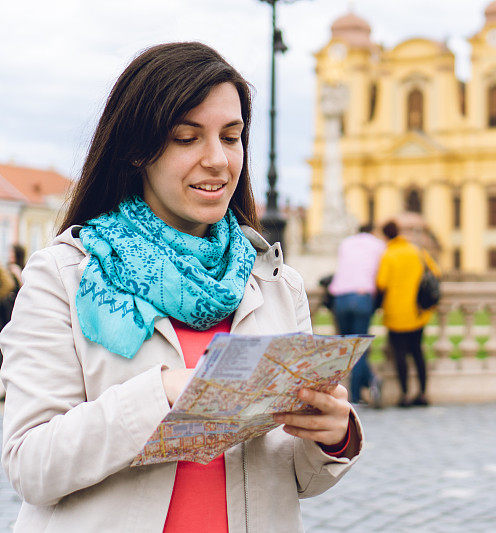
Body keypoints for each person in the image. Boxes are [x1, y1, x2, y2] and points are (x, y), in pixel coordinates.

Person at [0, 42, 361, 532]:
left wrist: (330, 435)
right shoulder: (63, 275)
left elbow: (295, 477)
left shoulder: (275, 282)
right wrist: (163, 393)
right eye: (187, 138)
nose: (217, 159)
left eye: (230, 137)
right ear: (136, 152)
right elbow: (31, 466)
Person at [376, 220, 440, 407]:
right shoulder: (416, 251)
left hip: (396, 313)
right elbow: (436, 271)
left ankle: (404, 394)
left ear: (386, 235)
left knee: (400, 354)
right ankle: (422, 393)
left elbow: (382, 282)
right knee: (418, 352)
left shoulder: (388, 255)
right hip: (417, 311)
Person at [328, 223, 386, 407]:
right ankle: (356, 395)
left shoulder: (346, 243)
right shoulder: (378, 245)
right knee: (358, 349)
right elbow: (381, 273)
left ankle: (368, 381)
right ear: (372, 231)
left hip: (340, 297)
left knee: (347, 347)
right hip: (362, 296)